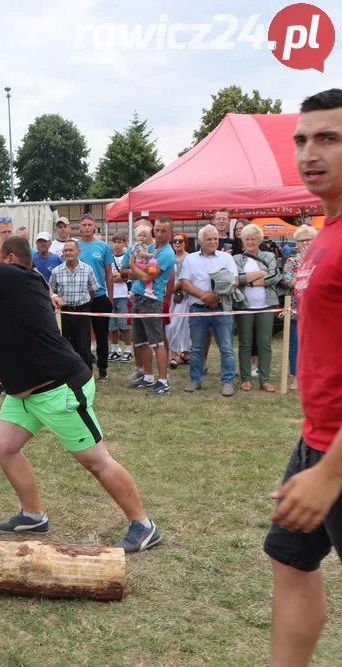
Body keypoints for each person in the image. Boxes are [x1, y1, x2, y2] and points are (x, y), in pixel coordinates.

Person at [0, 205, 162, 553]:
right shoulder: (12, 276)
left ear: (8, 260)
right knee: (4, 447)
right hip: (25, 392)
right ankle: (33, 515)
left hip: (59, 387)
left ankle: (143, 526)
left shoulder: (16, 278)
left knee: (95, 460)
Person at [263, 88, 342, 667]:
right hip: (316, 441)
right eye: (302, 139)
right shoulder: (324, 234)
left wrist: (329, 474)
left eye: (329, 139)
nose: (309, 152)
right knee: (290, 561)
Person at [177, 224, 238, 396]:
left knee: (226, 347)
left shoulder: (226, 258)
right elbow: (185, 283)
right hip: (197, 309)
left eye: (215, 239)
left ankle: (228, 382)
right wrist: (205, 296)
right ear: (200, 241)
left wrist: (216, 297)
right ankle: (195, 380)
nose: (213, 242)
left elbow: (233, 281)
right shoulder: (190, 259)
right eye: (209, 239)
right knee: (196, 348)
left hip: (221, 308)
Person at [122, 216, 176, 395]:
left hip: (151, 300)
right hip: (138, 297)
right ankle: (148, 376)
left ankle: (163, 380)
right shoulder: (151, 248)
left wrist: (132, 265)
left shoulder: (167, 253)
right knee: (142, 341)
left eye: (163, 231)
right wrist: (136, 269)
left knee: (157, 342)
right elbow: (134, 272)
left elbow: (146, 277)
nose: (159, 234)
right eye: (157, 230)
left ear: (170, 233)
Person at [233, 223, 281, 392]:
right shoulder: (236, 259)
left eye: (253, 238)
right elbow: (237, 278)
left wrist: (251, 283)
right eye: (247, 239)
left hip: (266, 305)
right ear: (242, 241)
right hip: (244, 306)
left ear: (260, 240)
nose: (250, 242)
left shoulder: (268, 256)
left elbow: (275, 275)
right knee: (245, 342)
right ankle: (245, 378)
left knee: (264, 343)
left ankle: (265, 379)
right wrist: (261, 274)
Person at [48, 240, 98, 370]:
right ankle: (67, 375)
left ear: (78, 252)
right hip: (63, 313)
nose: (68, 253)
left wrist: (84, 306)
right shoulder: (56, 271)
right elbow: (51, 290)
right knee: (64, 346)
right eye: (65, 250)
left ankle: (87, 376)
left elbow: (92, 291)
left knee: (83, 347)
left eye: (71, 250)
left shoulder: (87, 269)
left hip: (82, 312)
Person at [75, 213, 113, 382]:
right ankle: (82, 369)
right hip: (80, 297)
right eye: (84, 225)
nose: (87, 227)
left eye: (90, 224)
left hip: (99, 296)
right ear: (80, 227)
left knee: (101, 334)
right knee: (80, 335)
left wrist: (110, 297)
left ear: (94, 226)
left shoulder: (103, 247)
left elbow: (109, 273)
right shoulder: (75, 246)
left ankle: (103, 368)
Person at [281, 224, 317, 391]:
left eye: (308, 240)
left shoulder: (321, 259)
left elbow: (322, 280)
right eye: (301, 240)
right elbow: (288, 280)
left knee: (316, 345)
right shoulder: (292, 261)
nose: (305, 243)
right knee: (295, 345)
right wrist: (304, 269)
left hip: (317, 311)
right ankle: (296, 377)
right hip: (296, 310)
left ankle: (315, 378)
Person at [165, 233, 192, 368]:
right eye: (174, 241)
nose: (177, 243)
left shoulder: (189, 258)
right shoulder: (170, 257)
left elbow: (185, 279)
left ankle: (184, 354)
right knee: (170, 325)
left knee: (183, 326)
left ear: (185, 242)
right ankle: (174, 354)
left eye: (180, 241)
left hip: (184, 296)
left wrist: (172, 288)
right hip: (170, 296)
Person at [107, 233, 133, 363]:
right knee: (112, 326)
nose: (117, 245)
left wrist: (117, 276)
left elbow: (126, 275)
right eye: (115, 242)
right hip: (111, 295)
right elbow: (108, 275)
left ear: (125, 243)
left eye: (119, 242)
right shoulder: (110, 258)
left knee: (125, 325)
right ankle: (115, 349)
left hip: (123, 295)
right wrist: (115, 276)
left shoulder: (126, 257)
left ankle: (128, 349)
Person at [129, 225, 160, 300]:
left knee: (140, 279)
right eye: (139, 235)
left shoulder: (143, 245)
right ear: (136, 236)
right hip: (139, 264)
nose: (142, 237)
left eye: (144, 236)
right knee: (148, 278)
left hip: (140, 264)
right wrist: (151, 254)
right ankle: (148, 291)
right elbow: (141, 254)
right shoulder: (138, 245)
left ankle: (132, 291)